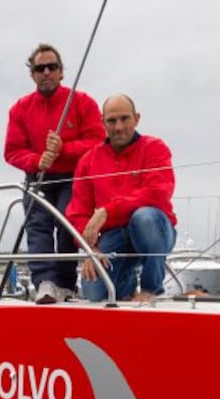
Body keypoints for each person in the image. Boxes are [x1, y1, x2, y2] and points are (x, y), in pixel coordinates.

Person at [4, 43, 105, 304]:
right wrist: (38, 160)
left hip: (73, 177)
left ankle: (66, 284)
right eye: (40, 68)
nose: (46, 72)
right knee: (37, 227)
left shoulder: (82, 103)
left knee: (68, 226)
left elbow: (97, 142)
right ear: (32, 74)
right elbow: (12, 151)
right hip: (37, 177)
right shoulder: (20, 109)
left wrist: (63, 149)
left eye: (52, 67)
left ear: (61, 72)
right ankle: (44, 283)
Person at [66, 93, 177, 303]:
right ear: (102, 123)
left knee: (145, 218)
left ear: (137, 118)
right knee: (94, 292)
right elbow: (78, 212)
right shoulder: (88, 161)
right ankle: (127, 289)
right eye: (112, 120)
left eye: (125, 119)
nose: (118, 127)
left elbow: (158, 193)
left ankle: (152, 290)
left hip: (153, 230)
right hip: (115, 235)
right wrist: (92, 249)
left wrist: (107, 211)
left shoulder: (155, 148)